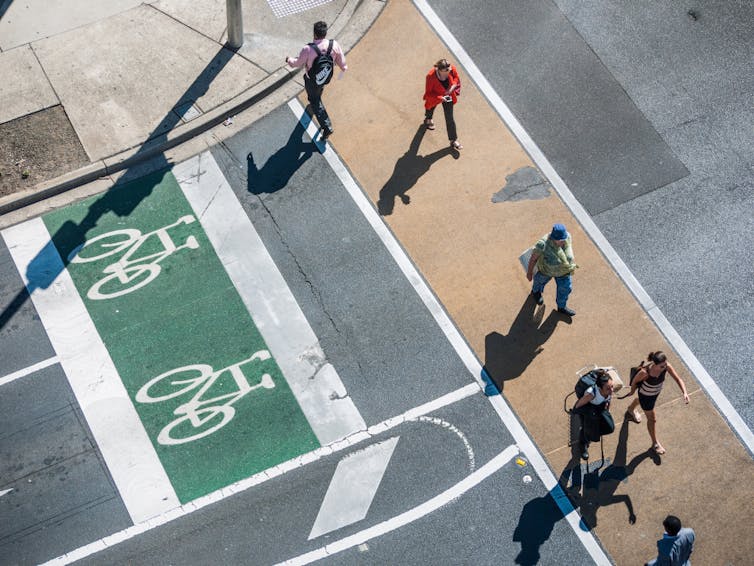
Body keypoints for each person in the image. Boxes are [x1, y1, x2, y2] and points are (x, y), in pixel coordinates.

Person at [285, 21, 347, 140]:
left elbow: (297, 64)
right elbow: (342, 62)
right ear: (325, 33)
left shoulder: (308, 49)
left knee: (314, 100)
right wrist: (343, 69)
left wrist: (289, 60)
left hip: (312, 80)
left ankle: (326, 126)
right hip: (325, 76)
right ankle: (317, 97)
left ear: (314, 33)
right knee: (319, 89)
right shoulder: (333, 44)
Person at [625, 351, 689, 455]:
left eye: (665, 364)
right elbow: (634, 382)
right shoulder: (644, 373)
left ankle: (631, 409)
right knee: (652, 419)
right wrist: (632, 391)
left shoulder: (666, 366)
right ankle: (655, 444)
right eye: (661, 366)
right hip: (646, 397)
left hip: (655, 394)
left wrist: (685, 392)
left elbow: (678, 379)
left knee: (641, 403)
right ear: (654, 364)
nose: (665, 367)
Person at [526, 223, 578, 316]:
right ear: (553, 238)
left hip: (563, 271)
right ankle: (536, 292)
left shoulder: (567, 237)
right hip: (546, 271)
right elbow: (533, 259)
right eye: (560, 240)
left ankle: (561, 307)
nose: (563, 241)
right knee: (539, 281)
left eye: (564, 239)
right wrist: (529, 273)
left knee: (565, 289)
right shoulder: (543, 244)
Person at [573, 370, 614, 460]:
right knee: (586, 429)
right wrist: (591, 413)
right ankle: (582, 444)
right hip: (589, 409)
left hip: (598, 408)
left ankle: (592, 434)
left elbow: (609, 399)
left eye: (612, 386)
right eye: (608, 388)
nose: (611, 390)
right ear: (600, 388)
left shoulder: (609, 391)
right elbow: (577, 407)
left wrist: (607, 410)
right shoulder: (591, 394)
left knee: (609, 427)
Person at [423, 58, 463, 150]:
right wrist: (440, 98)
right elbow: (428, 94)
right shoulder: (430, 77)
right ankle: (428, 119)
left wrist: (451, 88)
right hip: (436, 96)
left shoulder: (451, 68)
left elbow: (456, 78)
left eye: (449, 68)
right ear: (440, 70)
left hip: (448, 95)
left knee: (450, 118)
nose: (450, 70)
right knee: (430, 107)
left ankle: (453, 140)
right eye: (446, 70)